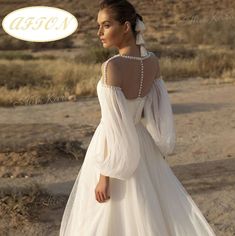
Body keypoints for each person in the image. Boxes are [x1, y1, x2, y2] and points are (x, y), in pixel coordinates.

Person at [59, 0, 216, 235]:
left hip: (112, 148)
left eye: (106, 25)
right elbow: (154, 112)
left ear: (125, 27)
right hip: (142, 143)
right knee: (148, 208)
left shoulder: (112, 66)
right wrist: (156, 148)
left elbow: (115, 127)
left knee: (108, 215)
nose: (99, 32)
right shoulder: (152, 62)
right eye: (99, 26)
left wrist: (105, 176)